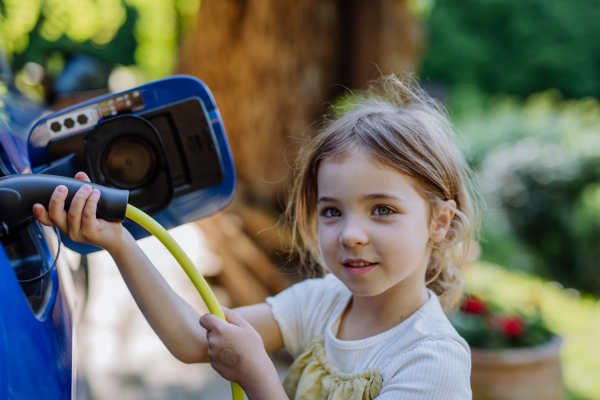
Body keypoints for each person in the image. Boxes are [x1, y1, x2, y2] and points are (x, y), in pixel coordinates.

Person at [33, 75, 480, 399]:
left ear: (438, 222)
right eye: (331, 211)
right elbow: (194, 339)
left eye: (382, 210)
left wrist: (258, 378)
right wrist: (118, 242)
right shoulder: (322, 302)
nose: (351, 234)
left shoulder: (432, 363)